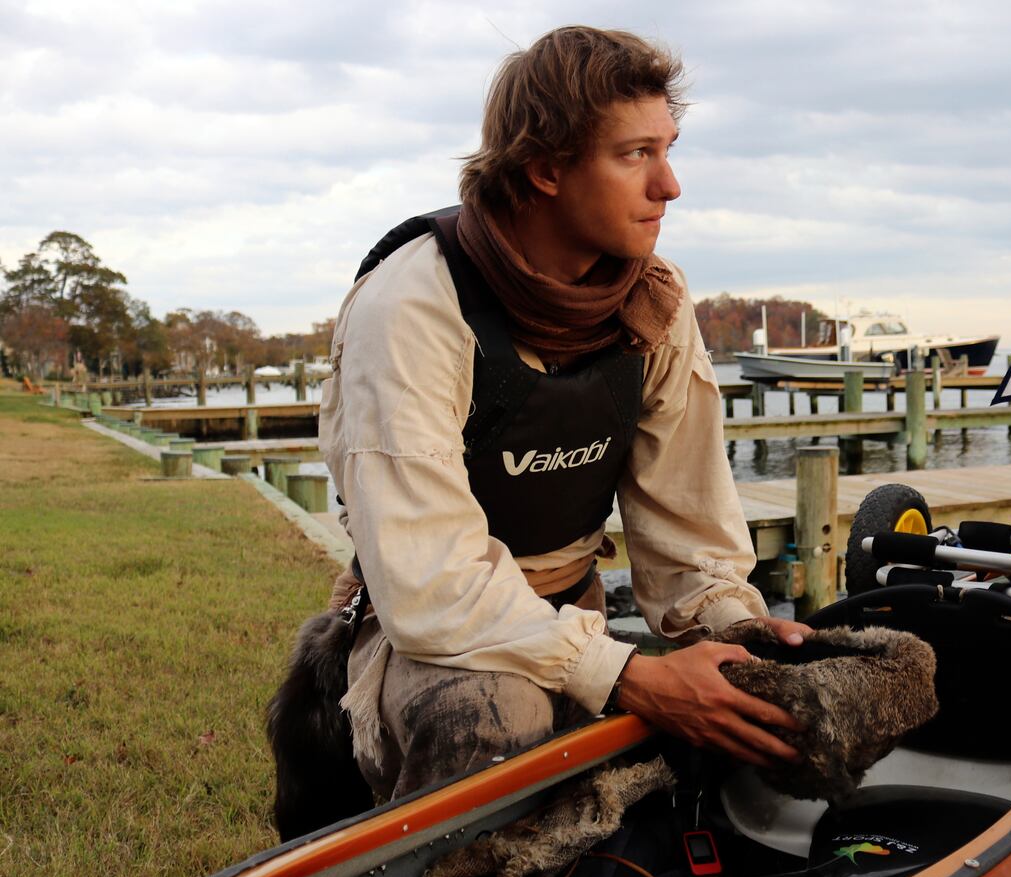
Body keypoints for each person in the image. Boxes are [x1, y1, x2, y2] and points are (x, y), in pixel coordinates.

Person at [318, 27, 809, 804]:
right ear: (546, 168)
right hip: (431, 639)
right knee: (498, 718)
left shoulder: (655, 301)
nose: (670, 185)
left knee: (776, 690)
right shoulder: (410, 307)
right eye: (634, 154)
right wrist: (628, 676)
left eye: (669, 148)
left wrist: (741, 634)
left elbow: (690, 535)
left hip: (571, 609)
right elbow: (432, 585)